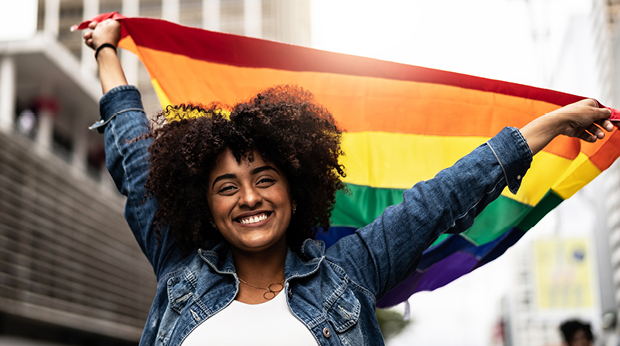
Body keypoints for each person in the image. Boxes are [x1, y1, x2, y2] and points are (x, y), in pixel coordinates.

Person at [83, 19, 615, 346]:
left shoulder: (350, 272)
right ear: (204, 201)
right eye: (227, 186)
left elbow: (441, 199)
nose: (249, 198)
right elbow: (134, 155)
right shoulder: (179, 270)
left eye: (264, 179)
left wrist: (549, 126)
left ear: (295, 189)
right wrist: (108, 49)